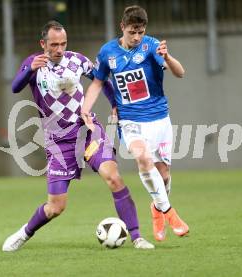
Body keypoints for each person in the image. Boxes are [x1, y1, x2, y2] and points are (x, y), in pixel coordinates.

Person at [2, 20, 154, 251]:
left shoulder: (77, 60)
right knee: (56, 207)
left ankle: (137, 237)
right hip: (57, 141)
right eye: (54, 44)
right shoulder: (34, 64)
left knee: (112, 177)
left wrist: (115, 105)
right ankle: (25, 232)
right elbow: (15, 87)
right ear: (43, 43)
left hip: (86, 130)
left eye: (63, 43)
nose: (59, 49)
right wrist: (29, 69)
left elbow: (101, 79)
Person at [81, 6, 189, 242]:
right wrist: (85, 108)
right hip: (130, 120)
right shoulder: (108, 52)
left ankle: (157, 208)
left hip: (159, 118)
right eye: (132, 32)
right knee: (142, 158)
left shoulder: (151, 46)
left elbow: (180, 73)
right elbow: (98, 83)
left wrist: (168, 57)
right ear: (122, 27)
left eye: (140, 32)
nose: (137, 37)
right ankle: (169, 212)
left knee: (164, 175)